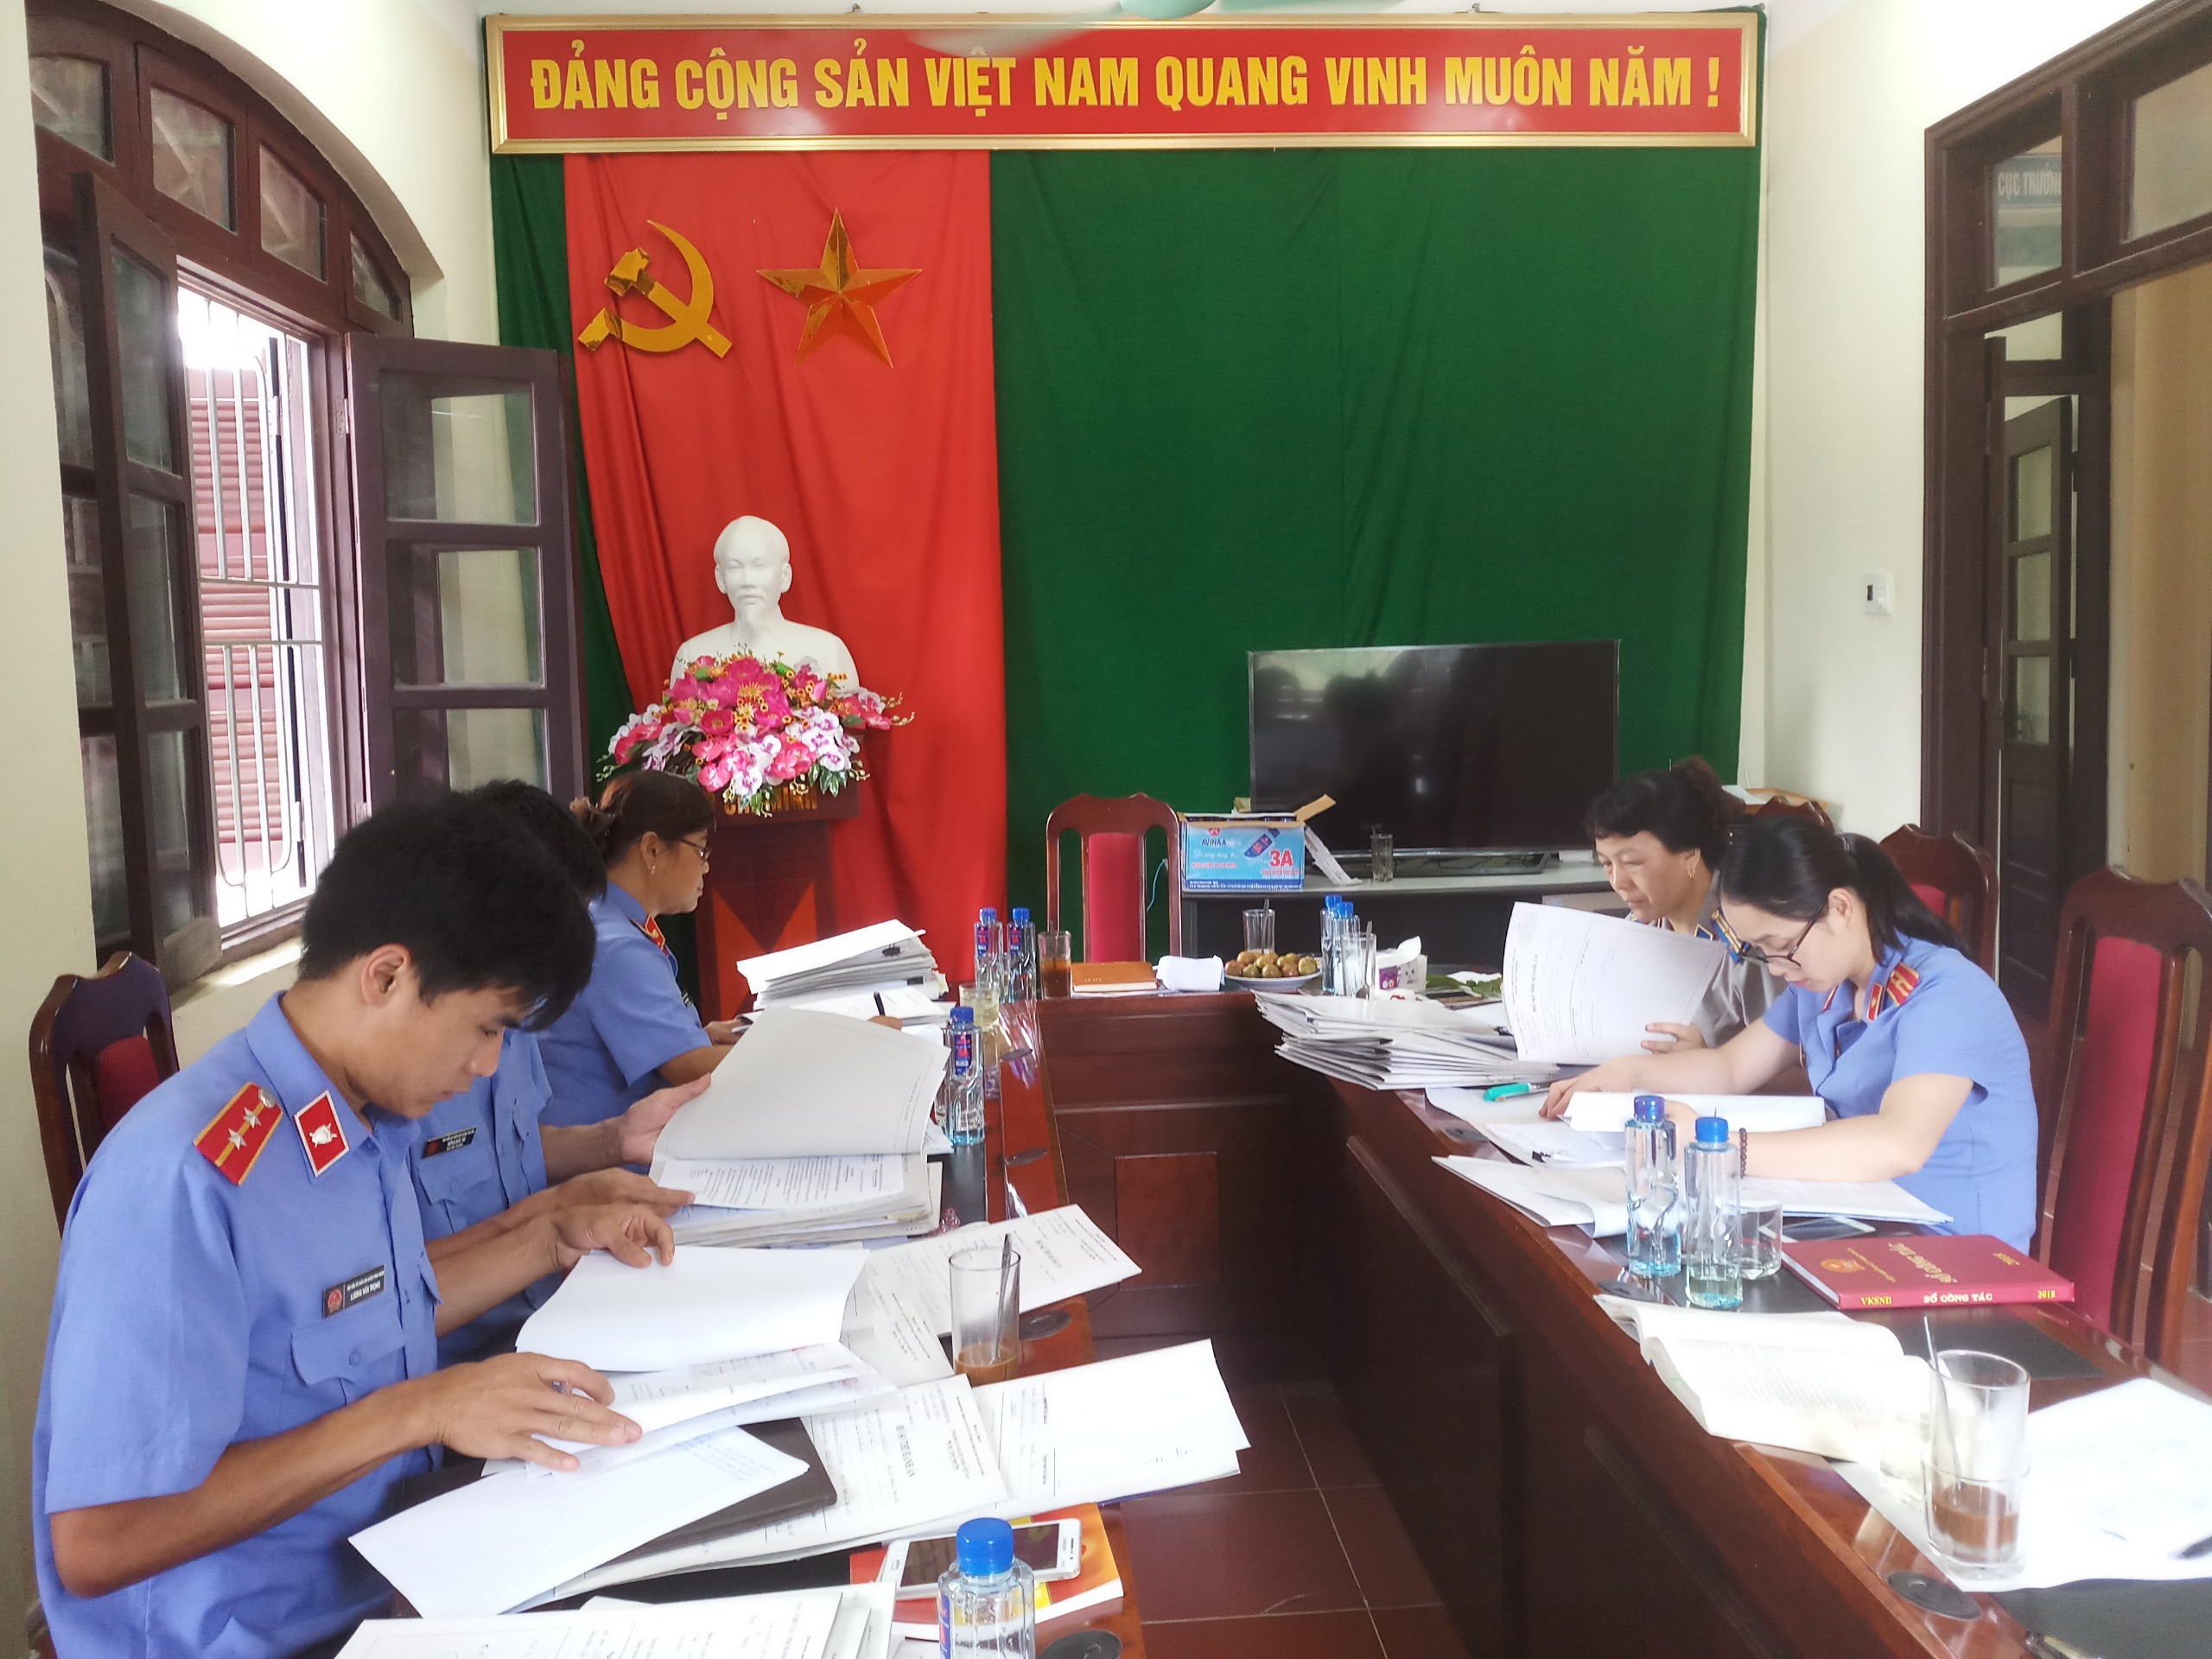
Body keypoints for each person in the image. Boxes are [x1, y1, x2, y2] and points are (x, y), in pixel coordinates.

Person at [35, 796, 677, 1659]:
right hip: (264, 1633)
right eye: (487, 1027)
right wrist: (421, 1410)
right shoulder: (185, 1178)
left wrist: (548, 1237)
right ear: (386, 977)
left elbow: (370, 1321)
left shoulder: (357, 1124)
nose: (489, 1064)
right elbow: (98, 1542)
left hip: (398, 1564)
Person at [1542, 817, 2037, 1249]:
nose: (1777, 969)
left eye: (1781, 946)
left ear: (1840, 907)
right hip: (1863, 1215)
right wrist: (1627, 1074)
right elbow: (1730, 1068)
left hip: (1952, 1250)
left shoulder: (1947, 994)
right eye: (1762, 952)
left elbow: (1899, 1144)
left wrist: (1725, 1147)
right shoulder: (1824, 983)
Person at [410, 781, 702, 1363]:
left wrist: (611, 1141)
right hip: (469, 1357)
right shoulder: (402, 1066)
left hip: (554, 1307)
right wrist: (547, 1230)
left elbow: (508, 1151)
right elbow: (386, 1301)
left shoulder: (516, 1019)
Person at [537, 772, 740, 1128]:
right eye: (700, 849)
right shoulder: (617, 947)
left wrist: (700, 1037)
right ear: (652, 849)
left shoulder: (606, 918)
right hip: (605, 1151)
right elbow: (689, 1069)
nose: (706, 865)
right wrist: (801, 1052)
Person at [1585, 757, 1775, 1052]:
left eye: (1632, 862)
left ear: (1689, 856)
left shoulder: (1750, 942)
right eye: (1606, 864)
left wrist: (1710, 1058)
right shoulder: (1641, 928)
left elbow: (1804, 1065)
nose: (1619, 882)